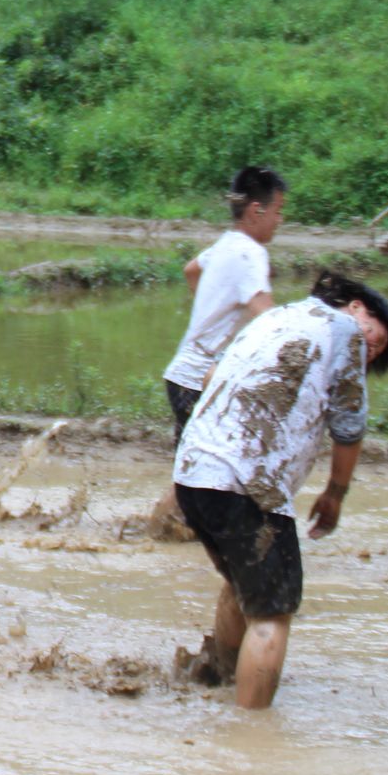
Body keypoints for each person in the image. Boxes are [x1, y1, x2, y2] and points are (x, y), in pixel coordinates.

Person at [171, 272, 388, 709]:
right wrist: (335, 493)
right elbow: (349, 427)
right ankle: (251, 734)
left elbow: (210, 377)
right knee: (272, 614)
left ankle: (220, 681)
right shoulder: (345, 330)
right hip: (247, 481)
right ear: (357, 306)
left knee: (242, 586)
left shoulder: (274, 318)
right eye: (378, 337)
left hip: (193, 473)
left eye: (377, 354)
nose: (371, 350)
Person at [143, 166, 287, 535]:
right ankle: (161, 534)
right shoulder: (251, 253)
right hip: (202, 382)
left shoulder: (226, 244)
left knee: (197, 470)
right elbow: (265, 313)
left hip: (184, 377)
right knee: (209, 472)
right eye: (278, 211)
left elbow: (191, 270)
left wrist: (214, 308)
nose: (280, 220)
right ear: (256, 210)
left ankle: (165, 532)